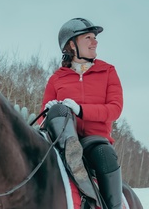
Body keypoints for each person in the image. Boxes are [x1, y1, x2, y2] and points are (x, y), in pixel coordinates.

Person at [39, 18, 123, 209]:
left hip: (94, 141)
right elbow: (42, 118)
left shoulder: (108, 71)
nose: (95, 42)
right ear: (71, 44)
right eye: (89, 37)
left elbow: (115, 109)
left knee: (105, 154)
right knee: (57, 111)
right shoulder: (56, 79)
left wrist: (81, 110)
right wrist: (50, 111)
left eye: (94, 38)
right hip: (61, 141)